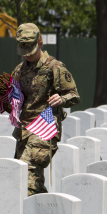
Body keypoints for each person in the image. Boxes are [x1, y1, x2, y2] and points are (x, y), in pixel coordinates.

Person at [11, 23, 79, 195]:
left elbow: (74, 95)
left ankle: (35, 213)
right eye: (23, 48)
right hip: (24, 131)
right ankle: (45, 210)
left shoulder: (54, 67)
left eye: (30, 48)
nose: (27, 52)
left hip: (44, 128)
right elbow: (14, 99)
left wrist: (61, 98)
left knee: (27, 170)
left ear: (40, 43)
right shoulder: (19, 70)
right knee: (22, 177)